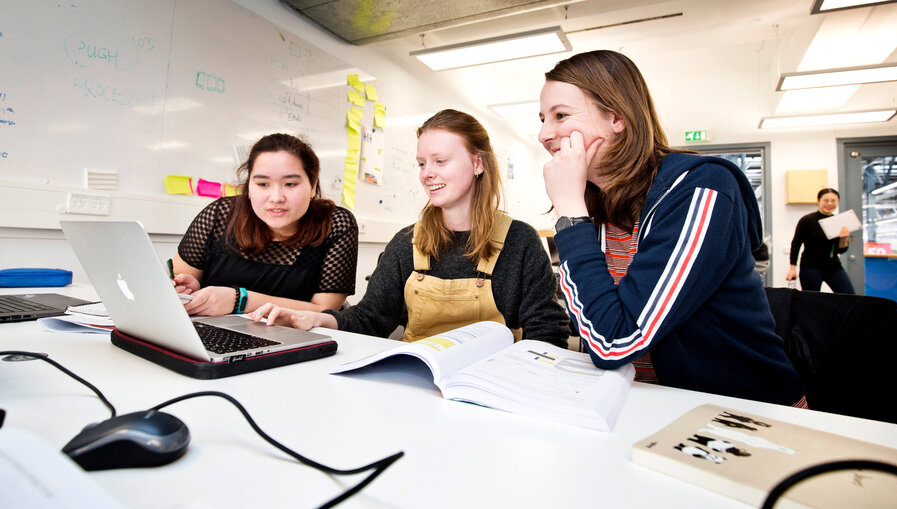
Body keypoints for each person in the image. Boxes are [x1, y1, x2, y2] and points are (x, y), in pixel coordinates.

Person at [538, 50, 805, 406]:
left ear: (616, 118)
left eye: (560, 116)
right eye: (542, 119)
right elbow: (595, 325)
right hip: (644, 406)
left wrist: (570, 216)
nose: (543, 134)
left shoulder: (702, 188)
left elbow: (613, 342)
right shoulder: (597, 203)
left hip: (743, 415)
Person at [252, 109, 570, 348]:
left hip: (494, 391)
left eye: (440, 161)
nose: (427, 174)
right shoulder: (407, 242)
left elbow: (548, 332)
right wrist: (315, 319)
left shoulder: (520, 241)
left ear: (477, 164)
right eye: (422, 163)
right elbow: (369, 320)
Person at [172, 133, 358, 316]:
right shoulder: (221, 215)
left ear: (313, 187)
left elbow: (325, 311)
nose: (276, 198)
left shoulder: (335, 224)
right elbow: (175, 281)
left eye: (290, 184)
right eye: (262, 184)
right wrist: (187, 290)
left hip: (298, 339)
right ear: (249, 188)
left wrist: (239, 300)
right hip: (216, 334)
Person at [786, 188, 855, 294]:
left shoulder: (838, 221)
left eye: (833, 201)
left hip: (833, 266)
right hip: (810, 267)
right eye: (826, 200)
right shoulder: (807, 220)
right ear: (819, 201)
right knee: (811, 301)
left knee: (849, 296)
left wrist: (844, 238)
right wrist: (792, 268)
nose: (829, 203)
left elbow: (840, 250)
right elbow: (796, 244)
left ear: (838, 202)